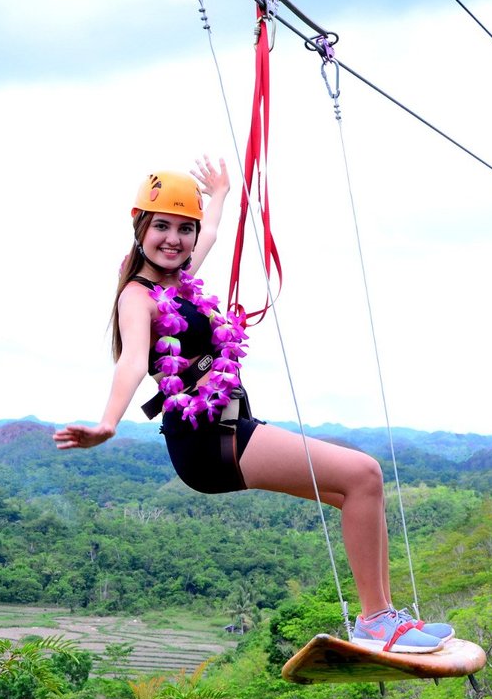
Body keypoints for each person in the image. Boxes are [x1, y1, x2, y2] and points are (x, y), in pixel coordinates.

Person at [53, 159, 453, 654]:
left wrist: (218, 193)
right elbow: (134, 359)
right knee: (363, 474)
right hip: (207, 441)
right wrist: (107, 423)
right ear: (139, 228)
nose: (174, 240)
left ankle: (385, 618)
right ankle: (376, 620)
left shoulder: (177, 281)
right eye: (161, 226)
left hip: (231, 426)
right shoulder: (140, 297)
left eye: (184, 228)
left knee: (358, 490)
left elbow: (214, 233)